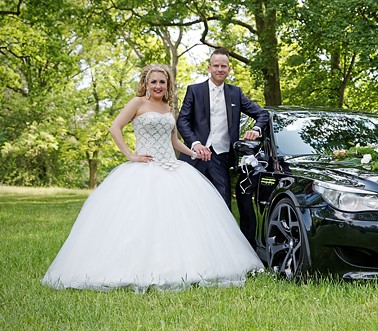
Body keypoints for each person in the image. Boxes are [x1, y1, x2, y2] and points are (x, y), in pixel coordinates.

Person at [41, 64, 263, 292]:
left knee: (180, 222)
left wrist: (194, 152)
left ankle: (180, 266)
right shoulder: (137, 103)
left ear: (168, 85)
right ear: (146, 84)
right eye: (154, 82)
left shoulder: (168, 107)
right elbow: (115, 127)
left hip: (172, 167)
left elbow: (174, 142)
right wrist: (130, 154)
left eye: (162, 82)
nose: (158, 86)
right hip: (144, 169)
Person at [177, 48, 269, 248]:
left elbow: (263, 114)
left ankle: (220, 250)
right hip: (193, 157)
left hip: (220, 158)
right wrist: (195, 143)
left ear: (229, 69)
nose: (219, 69)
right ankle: (187, 246)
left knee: (222, 205)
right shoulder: (194, 90)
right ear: (209, 68)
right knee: (188, 204)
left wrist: (256, 130)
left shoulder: (235, 93)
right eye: (216, 65)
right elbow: (182, 121)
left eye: (223, 66)